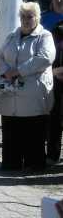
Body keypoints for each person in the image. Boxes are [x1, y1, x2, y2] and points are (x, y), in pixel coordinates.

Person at [0, 2, 55, 171]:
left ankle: (34, 164)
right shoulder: (12, 36)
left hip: (33, 92)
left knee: (33, 130)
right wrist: (6, 71)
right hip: (10, 91)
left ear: (37, 17)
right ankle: (11, 163)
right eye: (23, 16)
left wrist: (18, 71)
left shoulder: (45, 36)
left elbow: (44, 58)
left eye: (30, 16)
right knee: (11, 128)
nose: (26, 20)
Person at [48, 21, 63, 165]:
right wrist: (53, 72)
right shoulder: (57, 29)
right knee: (55, 119)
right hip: (57, 82)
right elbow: (49, 55)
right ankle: (53, 155)